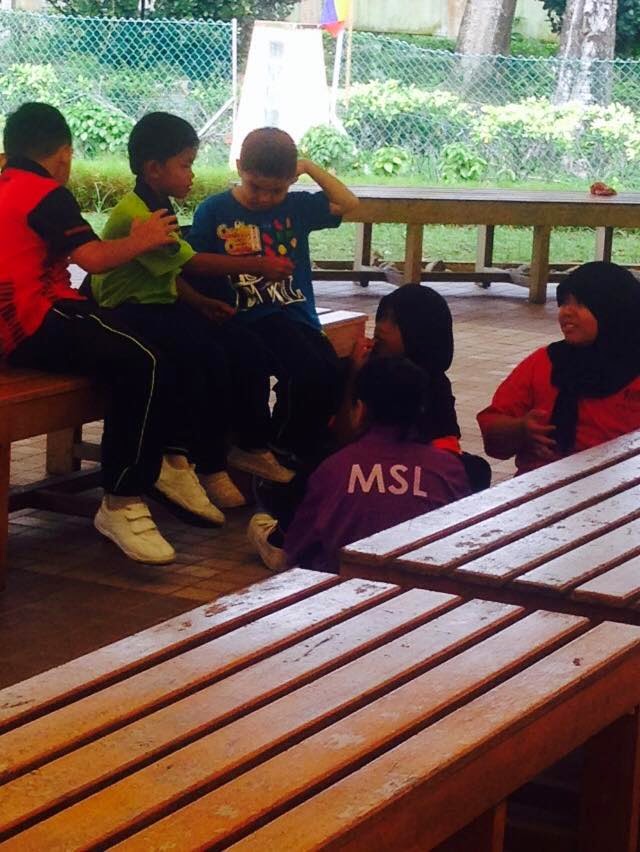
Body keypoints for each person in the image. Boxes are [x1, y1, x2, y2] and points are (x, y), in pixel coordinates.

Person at [0, 102, 216, 565]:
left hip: (11, 329)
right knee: (145, 360)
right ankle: (123, 498)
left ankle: (169, 459)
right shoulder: (45, 193)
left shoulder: (6, 184)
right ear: (63, 154)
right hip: (34, 321)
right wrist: (141, 240)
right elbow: (94, 260)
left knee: (156, 343)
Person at [91, 112, 295, 512]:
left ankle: (250, 444)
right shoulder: (141, 214)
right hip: (128, 313)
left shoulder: (157, 203)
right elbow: (192, 263)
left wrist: (199, 303)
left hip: (161, 305)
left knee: (247, 347)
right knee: (207, 357)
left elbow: (168, 272)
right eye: (185, 165)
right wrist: (259, 264)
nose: (192, 175)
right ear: (154, 169)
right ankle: (198, 462)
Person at [187, 126, 360, 464]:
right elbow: (194, 263)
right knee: (307, 372)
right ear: (240, 168)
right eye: (256, 187)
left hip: (298, 313)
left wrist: (307, 166)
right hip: (250, 315)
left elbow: (348, 202)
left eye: (276, 190)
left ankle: (293, 444)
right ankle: (276, 446)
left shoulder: (297, 207)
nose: (265, 199)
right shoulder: (215, 209)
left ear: (290, 181)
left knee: (331, 372)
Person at [248, 356, 471, 573]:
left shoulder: (334, 469)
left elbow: (295, 548)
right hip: (425, 591)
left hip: (347, 590)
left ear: (361, 409)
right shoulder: (448, 470)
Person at [477, 261, 640, 475]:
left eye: (580, 304)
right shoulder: (545, 362)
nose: (566, 312)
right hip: (540, 484)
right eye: (563, 303)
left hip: (623, 486)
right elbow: (493, 434)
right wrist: (520, 429)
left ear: (613, 310)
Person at [346, 283, 491, 490]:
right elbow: (348, 434)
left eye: (394, 321)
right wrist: (354, 374)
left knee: (476, 470)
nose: (381, 327)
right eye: (381, 317)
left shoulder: (434, 382)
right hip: (374, 459)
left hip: (421, 462)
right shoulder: (371, 372)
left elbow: (445, 440)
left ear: (419, 332)